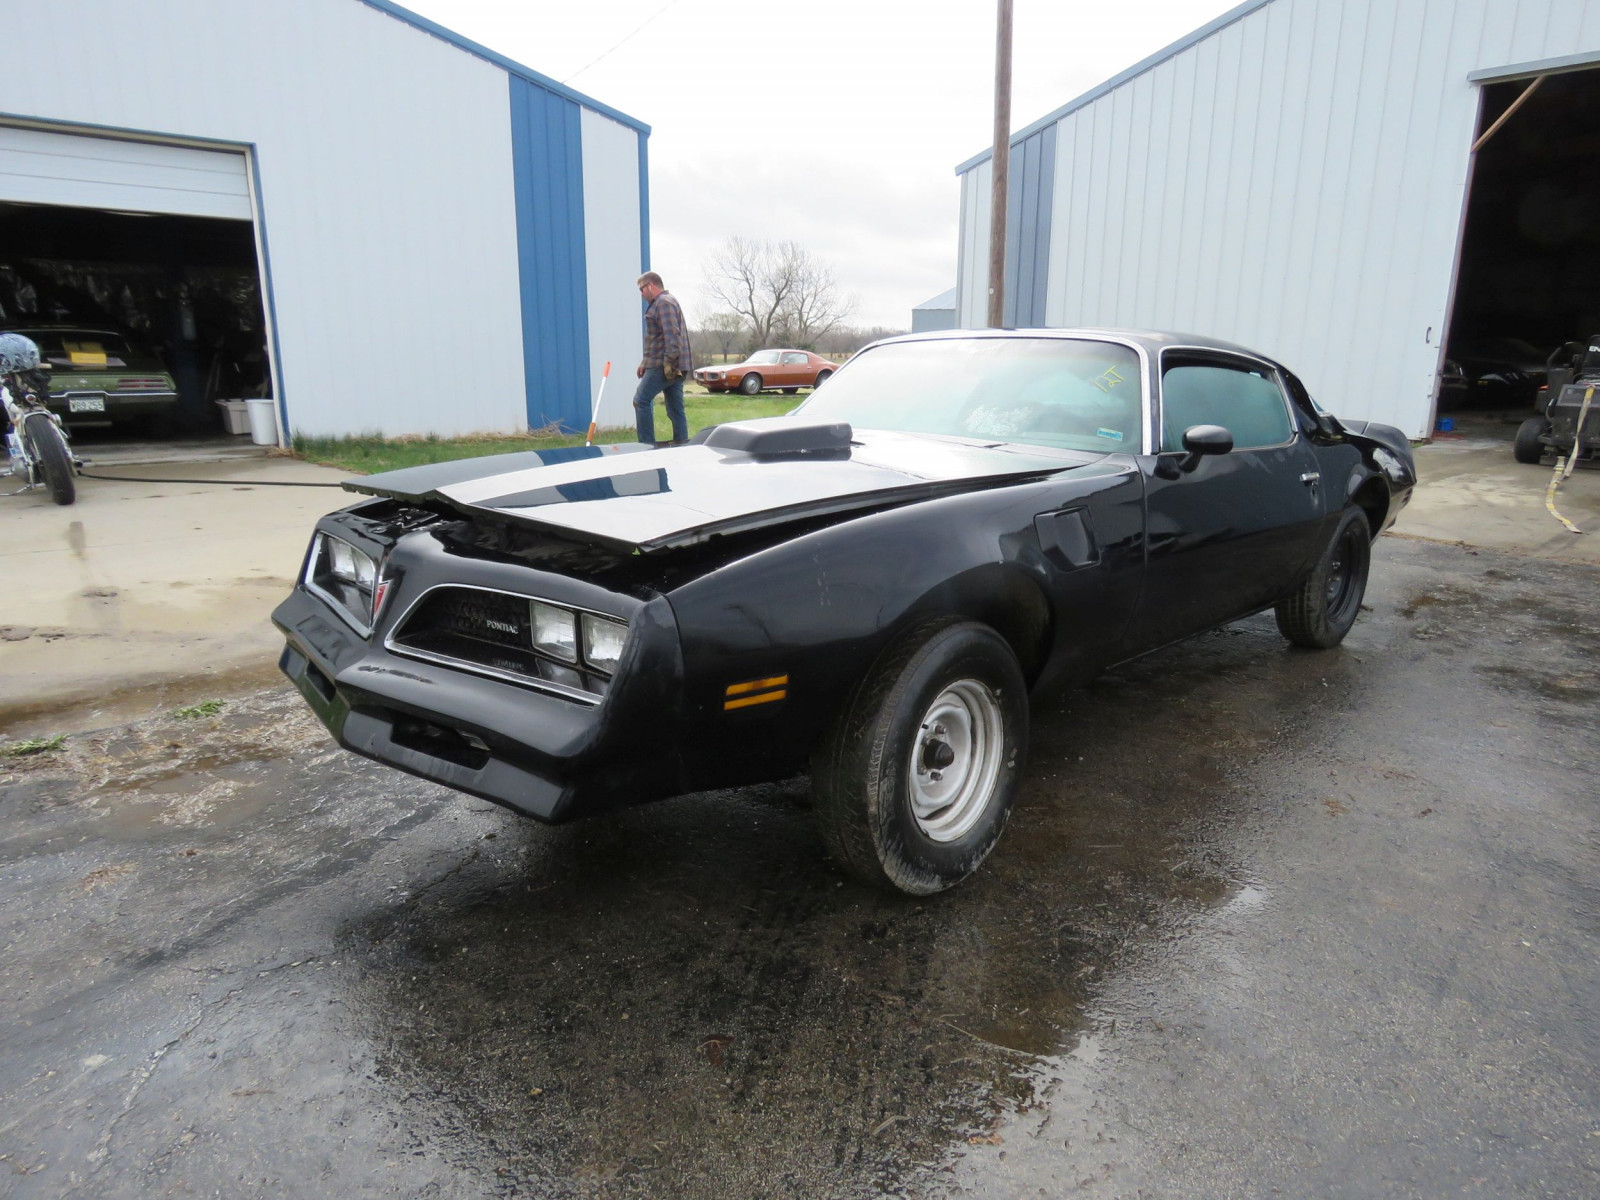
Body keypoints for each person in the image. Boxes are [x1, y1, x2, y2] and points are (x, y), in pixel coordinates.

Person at [633, 272, 692, 445]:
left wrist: (669, 366)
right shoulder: (664, 302)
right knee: (675, 409)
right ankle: (682, 445)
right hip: (670, 364)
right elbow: (656, 339)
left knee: (640, 400)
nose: (641, 294)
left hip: (666, 365)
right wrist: (645, 362)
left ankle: (646, 446)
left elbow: (672, 336)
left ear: (651, 286)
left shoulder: (663, 303)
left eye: (642, 289)